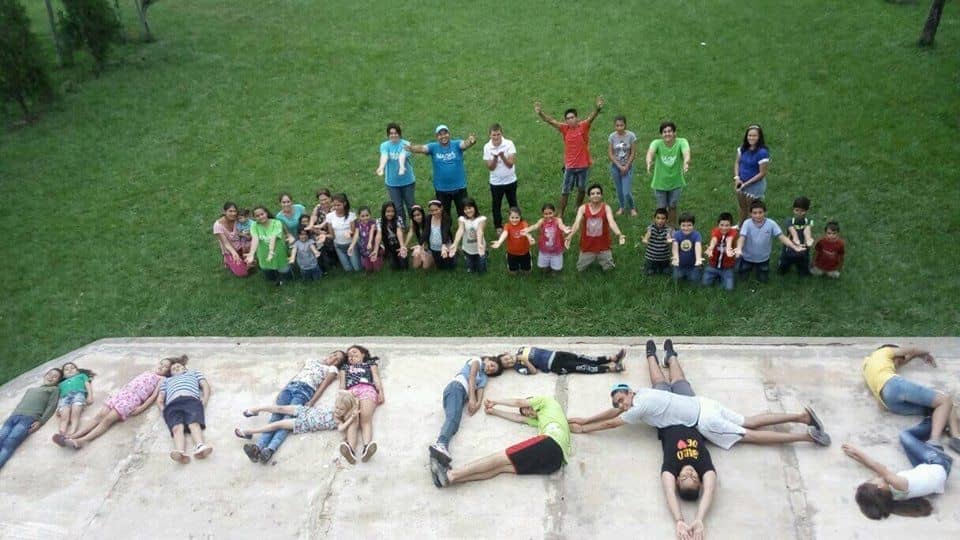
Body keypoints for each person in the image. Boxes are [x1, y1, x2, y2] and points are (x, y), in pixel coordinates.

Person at [568, 340, 831, 450]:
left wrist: (585, 429)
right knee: (749, 420)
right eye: (619, 403)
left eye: (621, 400)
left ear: (629, 393)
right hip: (704, 404)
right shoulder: (642, 395)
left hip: (705, 421)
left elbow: (612, 422)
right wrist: (586, 418)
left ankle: (806, 436)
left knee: (748, 435)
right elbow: (615, 413)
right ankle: (801, 417)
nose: (621, 405)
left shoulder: (638, 407)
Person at [576, 340, 716, 539]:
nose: (689, 474)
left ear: (677, 480)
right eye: (694, 479)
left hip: (664, 416)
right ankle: (670, 355)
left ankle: (651, 355)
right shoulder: (704, 465)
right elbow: (710, 490)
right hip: (687, 410)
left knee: (659, 382)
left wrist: (679, 520)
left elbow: (669, 493)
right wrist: (700, 519)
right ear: (700, 481)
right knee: (679, 380)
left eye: (685, 479)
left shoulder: (671, 468)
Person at [430, 395, 571, 488]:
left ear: (532, 401)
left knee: (499, 457)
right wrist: (495, 411)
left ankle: (450, 474)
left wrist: (496, 402)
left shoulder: (546, 401)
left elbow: (519, 402)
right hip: (555, 464)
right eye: (527, 413)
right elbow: (520, 418)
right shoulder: (543, 420)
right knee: (500, 468)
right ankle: (450, 480)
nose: (528, 412)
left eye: (528, 408)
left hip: (550, 443)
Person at [240, 351, 344, 464]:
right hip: (289, 388)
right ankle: (258, 447)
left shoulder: (332, 369)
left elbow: (323, 386)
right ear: (330, 354)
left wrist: (312, 401)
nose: (334, 358)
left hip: (304, 392)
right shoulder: (312, 361)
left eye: (337, 360)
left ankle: (269, 449)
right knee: (275, 418)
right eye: (334, 355)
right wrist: (282, 390)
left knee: (286, 422)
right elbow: (297, 375)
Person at [53, 356, 176, 450]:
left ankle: (82, 441)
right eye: (161, 363)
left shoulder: (162, 379)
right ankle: (73, 435)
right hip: (121, 394)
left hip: (132, 400)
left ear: (167, 372)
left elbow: (153, 396)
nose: (161, 366)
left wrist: (141, 407)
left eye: (165, 367)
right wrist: (117, 393)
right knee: (99, 416)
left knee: (107, 420)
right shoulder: (148, 372)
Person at [842, 421, 953, 520]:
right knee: (904, 436)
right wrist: (856, 451)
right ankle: (936, 422)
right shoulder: (897, 483)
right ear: (879, 486)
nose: (874, 477)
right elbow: (875, 465)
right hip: (940, 463)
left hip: (933, 473)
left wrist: (855, 457)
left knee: (913, 447)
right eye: (871, 480)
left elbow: (873, 467)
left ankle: (936, 431)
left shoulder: (894, 498)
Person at [861, 345, 958, 452]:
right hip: (893, 385)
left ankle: (956, 438)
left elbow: (905, 358)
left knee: (944, 408)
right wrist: (926, 351)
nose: (901, 362)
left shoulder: (867, 365)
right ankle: (934, 441)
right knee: (945, 400)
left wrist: (915, 355)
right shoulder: (885, 351)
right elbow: (911, 349)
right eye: (901, 357)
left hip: (888, 403)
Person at [534, 96, 605, 219]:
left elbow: (591, 118)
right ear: (566, 121)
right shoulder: (564, 128)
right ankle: (561, 212)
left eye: (572, 117)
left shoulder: (583, 126)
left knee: (581, 189)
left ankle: (578, 207)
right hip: (570, 167)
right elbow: (550, 121)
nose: (570, 120)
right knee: (565, 191)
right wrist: (540, 113)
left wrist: (598, 108)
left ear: (576, 118)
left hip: (583, 166)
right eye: (568, 118)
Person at [428, 357, 504, 466]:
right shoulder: (477, 361)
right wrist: (472, 398)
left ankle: (441, 451)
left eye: (492, 371)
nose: (490, 369)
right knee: (453, 417)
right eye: (491, 365)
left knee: (455, 422)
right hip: (456, 387)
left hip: (461, 396)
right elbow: (471, 377)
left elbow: (481, 391)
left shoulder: (484, 377)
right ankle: (441, 444)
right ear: (487, 359)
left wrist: (477, 405)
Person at [406, 125, 477, 217]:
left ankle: (464, 226)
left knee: (463, 213)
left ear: (449, 134)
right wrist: (412, 148)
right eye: (440, 134)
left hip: (459, 187)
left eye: (445, 133)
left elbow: (464, 144)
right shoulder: (433, 147)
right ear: (437, 137)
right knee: (444, 215)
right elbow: (423, 148)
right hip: (442, 189)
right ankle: (446, 227)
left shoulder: (456, 144)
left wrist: (470, 141)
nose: (443, 136)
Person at [235, 390, 359, 443]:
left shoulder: (338, 421)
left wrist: (351, 418)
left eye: (341, 410)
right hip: (305, 411)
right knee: (280, 408)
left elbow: (341, 429)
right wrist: (353, 400)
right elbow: (343, 393)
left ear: (346, 411)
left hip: (304, 424)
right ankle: (256, 409)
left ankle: (249, 432)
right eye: (337, 407)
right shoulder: (338, 405)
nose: (337, 410)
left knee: (277, 425)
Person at [0, 368, 62, 469]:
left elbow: (51, 406)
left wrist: (41, 421)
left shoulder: (54, 389)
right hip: (13, 417)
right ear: (45, 375)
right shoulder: (31, 389)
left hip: (28, 418)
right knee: (1, 437)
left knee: (10, 442)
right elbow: (20, 403)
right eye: (49, 374)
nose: (51, 377)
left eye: (55, 377)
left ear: (58, 381)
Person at [733, 200, 804, 283]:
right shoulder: (747, 223)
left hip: (763, 259)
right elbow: (742, 237)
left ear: (765, 212)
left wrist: (794, 246)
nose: (758, 215)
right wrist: (739, 248)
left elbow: (782, 237)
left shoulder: (771, 224)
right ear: (750, 214)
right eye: (755, 213)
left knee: (763, 280)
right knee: (743, 278)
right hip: (747, 258)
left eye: (760, 212)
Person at [158, 357, 212, 464]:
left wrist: (205, 400)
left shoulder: (194, 373)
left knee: (194, 423)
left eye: (178, 366)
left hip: (190, 400)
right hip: (172, 404)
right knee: (176, 428)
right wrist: (163, 411)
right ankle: (180, 452)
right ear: (170, 373)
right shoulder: (166, 381)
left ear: (185, 369)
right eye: (173, 368)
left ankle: (200, 446)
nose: (176, 368)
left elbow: (205, 385)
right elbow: (160, 399)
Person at [565, 184, 626, 272]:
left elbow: (612, 222)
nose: (595, 195)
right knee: (580, 269)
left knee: (609, 269)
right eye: (592, 193)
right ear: (589, 197)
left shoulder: (606, 208)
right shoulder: (583, 208)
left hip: (603, 246)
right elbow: (576, 223)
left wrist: (619, 234)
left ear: (601, 195)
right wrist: (570, 236)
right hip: (587, 246)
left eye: (598, 193)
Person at [338, 345, 384, 464]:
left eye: (354, 352)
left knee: (365, 418)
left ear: (363, 354)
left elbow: (376, 378)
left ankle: (367, 447)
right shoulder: (345, 367)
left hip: (367, 389)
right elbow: (342, 385)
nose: (351, 355)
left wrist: (380, 392)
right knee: (352, 419)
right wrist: (341, 398)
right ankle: (350, 450)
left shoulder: (370, 364)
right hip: (350, 392)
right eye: (349, 355)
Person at [646, 121, 691, 227]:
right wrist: (649, 161)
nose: (667, 134)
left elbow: (686, 153)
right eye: (664, 132)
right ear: (661, 134)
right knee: (661, 208)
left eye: (669, 131)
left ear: (674, 132)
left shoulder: (682, 142)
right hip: (660, 183)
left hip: (676, 182)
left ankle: (671, 227)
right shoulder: (657, 143)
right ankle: (659, 228)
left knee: (673, 206)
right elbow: (650, 152)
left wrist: (686, 162)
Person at [376, 123, 416, 223]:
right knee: (398, 208)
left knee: (411, 205)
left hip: (407, 181)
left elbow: (403, 155)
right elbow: (384, 156)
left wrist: (401, 167)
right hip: (392, 183)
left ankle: (414, 225)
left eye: (396, 133)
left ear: (399, 134)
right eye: (391, 133)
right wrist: (381, 167)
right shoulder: (384, 145)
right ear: (388, 135)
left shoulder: (406, 144)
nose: (393, 135)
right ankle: (402, 226)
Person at [482, 123, 518, 234]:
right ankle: (498, 226)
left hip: (510, 180)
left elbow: (510, 164)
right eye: (494, 135)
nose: (496, 137)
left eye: (498, 134)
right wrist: (495, 158)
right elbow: (491, 167)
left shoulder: (509, 144)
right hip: (496, 183)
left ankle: (516, 222)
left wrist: (502, 156)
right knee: (496, 205)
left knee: (513, 203)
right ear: (490, 135)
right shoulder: (487, 147)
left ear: (501, 133)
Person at [245, 206, 293, 285]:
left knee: (285, 273)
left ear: (266, 213)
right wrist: (252, 254)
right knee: (269, 274)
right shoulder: (254, 225)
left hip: (279, 254)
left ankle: (286, 281)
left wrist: (271, 251)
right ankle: (275, 280)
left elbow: (273, 238)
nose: (260, 217)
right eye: (257, 216)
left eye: (262, 214)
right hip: (263, 255)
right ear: (254, 218)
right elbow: (255, 239)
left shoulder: (277, 223)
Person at [733, 124, 771, 224]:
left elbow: (762, 173)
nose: (751, 138)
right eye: (749, 135)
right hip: (741, 183)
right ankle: (741, 225)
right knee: (742, 207)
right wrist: (737, 178)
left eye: (754, 136)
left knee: (752, 210)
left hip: (754, 186)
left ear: (759, 137)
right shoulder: (742, 149)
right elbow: (737, 163)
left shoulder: (762, 153)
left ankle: (751, 229)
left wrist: (746, 184)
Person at [497, 346, 625, 375]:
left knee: (582, 357)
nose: (509, 361)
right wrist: (525, 360)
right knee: (581, 366)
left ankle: (612, 358)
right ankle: (611, 368)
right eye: (507, 364)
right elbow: (534, 371)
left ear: (507, 353)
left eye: (506, 359)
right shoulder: (518, 367)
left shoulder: (521, 349)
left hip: (557, 354)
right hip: (555, 365)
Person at [523, 203, 570, 274]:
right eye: (546, 214)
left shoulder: (558, 220)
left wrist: (565, 229)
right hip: (544, 248)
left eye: (550, 213)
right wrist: (528, 229)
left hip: (556, 248)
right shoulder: (542, 221)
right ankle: (546, 269)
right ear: (543, 214)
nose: (548, 216)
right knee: (544, 266)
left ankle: (554, 272)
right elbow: (535, 226)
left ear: (554, 212)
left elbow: (561, 225)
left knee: (556, 267)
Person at [608, 115, 638, 217]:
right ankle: (621, 206)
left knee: (626, 192)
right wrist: (619, 166)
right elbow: (610, 154)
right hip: (615, 167)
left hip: (627, 167)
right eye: (617, 125)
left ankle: (632, 207)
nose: (619, 127)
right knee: (619, 189)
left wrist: (626, 166)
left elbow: (633, 153)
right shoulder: (612, 137)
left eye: (621, 125)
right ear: (614, 126)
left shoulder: (631, 136)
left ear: (625, 125)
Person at [489, 207, 534, 274]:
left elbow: (526, 231)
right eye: (512, 217)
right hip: (511, 253)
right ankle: (514, 269)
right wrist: (499, 242)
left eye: (517, 217)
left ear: (520, 217)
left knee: (527, 271)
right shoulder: (507, 226)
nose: (514, 220)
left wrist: (529, 238)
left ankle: (526, 268)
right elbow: (505, 233)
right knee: (513, 272)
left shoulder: (524, 224)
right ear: (509, 217)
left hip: (524, 252)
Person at [55, 362, 94, 437]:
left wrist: (90, 396)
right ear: (63, 375)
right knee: (64, 416)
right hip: (64, 398)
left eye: (72, 368)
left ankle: (72, 433)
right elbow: (59, 396)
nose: (69, 370)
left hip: (78, 394)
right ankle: (61, 434)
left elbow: (87, 385)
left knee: (75, 413)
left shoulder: (81, 376)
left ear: (77, 371)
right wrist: (58, 407)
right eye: (66, 369)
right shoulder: (61, 384)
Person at [778, 196, 814, 276]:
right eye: (797, 210)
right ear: (793, 209)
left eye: (802, 211)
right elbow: (792, 230)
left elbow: (807, 230)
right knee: (783, 267)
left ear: (807, 210)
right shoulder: (789, 220)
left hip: (803, 248)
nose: (799, 213)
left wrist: (808, 239)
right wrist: (795, 238)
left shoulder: (809, 221)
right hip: (789, 248)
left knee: (803, 269)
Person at [323, 193, 360, 272]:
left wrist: (350, 233)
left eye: (338, 205)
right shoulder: (330, 216)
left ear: (344, 204)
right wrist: (324, 236)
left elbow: (354, 233)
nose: (336, 207)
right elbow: (332, 235)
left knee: (357, 268)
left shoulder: (351, 216)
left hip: (351, 245)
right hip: (339, 246)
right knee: (348, 269)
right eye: (334, 205)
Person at [702, 212, 739, 291]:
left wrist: (728, 249)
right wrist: (711, 248)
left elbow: (729, 239)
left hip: (727, 268)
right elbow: (714, 239)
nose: (724, 228)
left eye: (727, 225)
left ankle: (721, 277)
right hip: (713, 265)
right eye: (722, 225)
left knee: (729, 288)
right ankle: (717, 276)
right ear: (718, 225)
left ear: (731, 226)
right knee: (705, 284)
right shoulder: (716, 231)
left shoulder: (733, 232)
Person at [213, 202, 250, 277]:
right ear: (224, 211)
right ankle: (227, 258)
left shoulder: (238, 219)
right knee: (243, 273)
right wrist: (234, 253)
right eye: (230, 211)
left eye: (235, 211)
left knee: (252, 265)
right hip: (230, 251)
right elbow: (225, 243)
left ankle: (242, 258)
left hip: (242, 246)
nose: (233, 213)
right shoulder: (218, 225)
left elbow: (249, 223)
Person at [451, 197, 487, 273]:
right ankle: (471, 265)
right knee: (470, 267)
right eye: (465, 209)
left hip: (480, 248)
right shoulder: (462, 219)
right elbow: (460, 230)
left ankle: (485, 255)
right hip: (467, 249)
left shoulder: (481, 219)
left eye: (470, 208)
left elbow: (480, 231)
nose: (468, 211)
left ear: (474, 207)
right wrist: (455, 244)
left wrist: (479, 244)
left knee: (481, 269)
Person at [306, 188, 338, 271]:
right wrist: (311, 225)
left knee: (328, 242)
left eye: (325, 199)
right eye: (321, 200)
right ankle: (322, 263)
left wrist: (320, 230)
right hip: (319, 231)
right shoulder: (318, 207)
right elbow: (313, 216)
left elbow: (327, 222)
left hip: (332, 231)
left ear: (330, 198)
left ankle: (333, 260)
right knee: (314, 241)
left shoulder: (334, 208)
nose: (323, 202)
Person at [421, 200, 456, 270]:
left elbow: (445, 231)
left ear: (441, 208)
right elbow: (426, 231)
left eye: (436, 210)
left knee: (449, 267)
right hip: (433, 247)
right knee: (439, 267)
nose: (434, 212)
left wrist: (444, 245)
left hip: (445, 245)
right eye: (432, 211)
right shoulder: (428, 218)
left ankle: (453, 254)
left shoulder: (447, 218)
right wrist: (420, 244)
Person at [349, 206, 383, 273]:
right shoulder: (358, 224)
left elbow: (371, 231)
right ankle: (369, 268)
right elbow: (356, 235)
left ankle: (379, 260)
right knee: (368, 268)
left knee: (376, 267)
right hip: (364, 246)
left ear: (370, 215)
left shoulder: (372, 222)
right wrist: (352, 246)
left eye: (367, 215)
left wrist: (369, 242)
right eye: (362, 216)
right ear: (359, 216)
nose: (365, 218)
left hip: (373, 245)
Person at [671, 213, 703, 285]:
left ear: (693, 225)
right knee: (676, 278)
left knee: (695, 280)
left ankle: (697, 270)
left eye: (689, 225)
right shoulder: (676, 234)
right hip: (679, 265)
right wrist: (675, 257)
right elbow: (675, 246)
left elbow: (698, 246)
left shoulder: (697, 235)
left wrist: (698, 259)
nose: (686, 228)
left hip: (693, 265)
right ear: (679, 226)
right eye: (683, 225)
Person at [642, 208, 672, 276]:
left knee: (667, 272)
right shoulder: (651, 228)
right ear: (654, 219)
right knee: (649, 272)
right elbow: (648, 234)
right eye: (658, 218)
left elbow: (668, 236)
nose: (660, 221)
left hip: (664, 258)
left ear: (667, 220)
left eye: (663, 218)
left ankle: (663, 267)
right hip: (651, 257)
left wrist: (669, 240)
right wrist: (646, 239)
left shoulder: (668, 229)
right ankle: (650, 267)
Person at [379, 201, 408, 270]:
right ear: (384, 212)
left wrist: (402, 246)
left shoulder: (398, 219)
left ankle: (403, 252)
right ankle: (383, 251)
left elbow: (399, 231)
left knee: (404, 266)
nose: (390, 214)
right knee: (394, 267)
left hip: (398, 244)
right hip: (388, 247)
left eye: (392, 211)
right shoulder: (379, 221)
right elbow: (378, 234)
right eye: (388, 211)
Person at [406, 205, 434, 270]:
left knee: (425, 267)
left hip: (431, 247)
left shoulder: (428, 221)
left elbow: (426, 236)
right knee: (416, 266)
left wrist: (421, 248)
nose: (416, 218)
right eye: (414, 216)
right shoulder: (414, 223)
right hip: (422, 246)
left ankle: (433, 257)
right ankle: (419, 251)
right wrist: (404, 246)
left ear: (422, 214)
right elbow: (410, 232)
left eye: (418, 215)